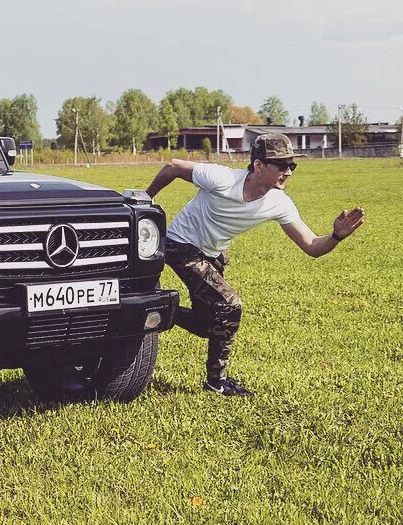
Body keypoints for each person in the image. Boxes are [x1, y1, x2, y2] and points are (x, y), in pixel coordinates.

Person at [145, 133, 364, 396]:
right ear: (258, 165)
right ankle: (217, 382)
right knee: (228, 305)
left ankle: (153, 310)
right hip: (180, 245)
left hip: (210, 255)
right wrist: (146, 199)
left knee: (209, 324)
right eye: (281, 165)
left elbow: (312, 246)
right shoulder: (223, 179)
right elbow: (174, 166)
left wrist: (337, 236)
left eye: (291, 166)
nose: (288, 172)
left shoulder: (278, 203)